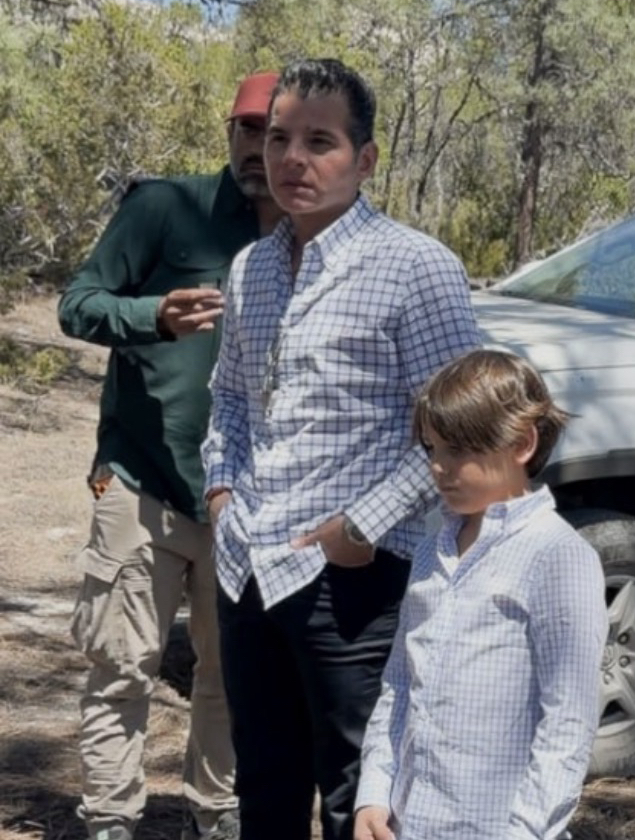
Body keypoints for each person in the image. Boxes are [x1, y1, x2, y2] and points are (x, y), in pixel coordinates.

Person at [202, 58, 481, 840]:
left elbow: (458, 427)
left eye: (319, 141)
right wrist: (223, 494)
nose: (291, 158)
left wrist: (359, 527)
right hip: (248, 563)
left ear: (365, 160)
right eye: (279, 137)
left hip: (351, 582)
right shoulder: (251, 266)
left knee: (361, 799)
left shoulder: (414, 267)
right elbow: (229, 394)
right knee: (265, 787)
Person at [59, 70, 281, 840]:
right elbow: (78, 301)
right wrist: (151, 312)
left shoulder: (303, 237)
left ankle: (214, 812)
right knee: (122, 665)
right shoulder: (164, 207)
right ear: (230, 130)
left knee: (230, 676)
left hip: (247, 501)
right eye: (250, 129)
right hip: (143, 482)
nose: (262, 147)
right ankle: (111, 819)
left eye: (278, 132)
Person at [353, 349, 607, 840]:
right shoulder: (433, 550)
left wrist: (529, 829)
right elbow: (400, 683)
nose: (439, 468)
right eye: (431, 450)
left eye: (458, 451)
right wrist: (375, 791)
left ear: (521, 443)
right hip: (413, 821)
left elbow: (568, 718)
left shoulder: (556, 555)